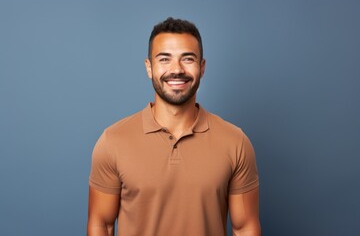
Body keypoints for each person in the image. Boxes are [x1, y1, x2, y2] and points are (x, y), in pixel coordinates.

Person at [87, 17, 260, 236]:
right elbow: (101, 224)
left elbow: (245, 228)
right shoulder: (112, 141)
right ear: (149, 67)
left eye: (187, 59)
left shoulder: (235, 142)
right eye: (164, 59)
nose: (176, 69)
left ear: (202, 67)